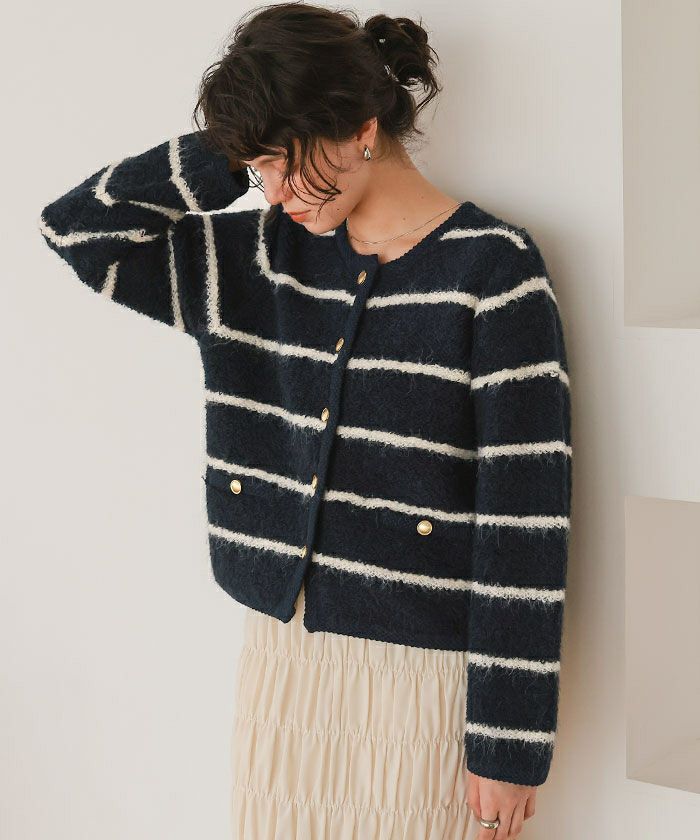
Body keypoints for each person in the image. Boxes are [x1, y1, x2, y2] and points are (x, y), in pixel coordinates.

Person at [38, 4, 572, 839]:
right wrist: (232, 148)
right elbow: (77, 230)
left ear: (363, 129)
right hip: (286, 666)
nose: (277, 193)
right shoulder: (257, 257)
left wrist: (509, 743)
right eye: (259, 171)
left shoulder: (494, 271)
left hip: (425, 685)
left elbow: (525, 519)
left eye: (288, 165)